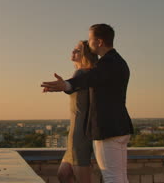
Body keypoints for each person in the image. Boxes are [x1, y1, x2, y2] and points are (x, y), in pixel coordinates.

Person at [41, 24, 133, 183]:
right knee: (120, 177)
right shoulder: (118, 61)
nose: (89, 43)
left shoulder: (107, 63)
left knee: (113, 178)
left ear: (99, 42)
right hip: (118, 127)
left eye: (90, 39)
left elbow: (89, 77)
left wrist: (66, 85)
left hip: (107, 129)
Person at [45, 40, 98, 183]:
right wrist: (63, 86)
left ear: (86, 55)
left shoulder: (83, 72)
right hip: (75, 133)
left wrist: (64, 85)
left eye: (77, 50)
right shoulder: (85, 75)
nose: (73, 52)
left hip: (80, 133)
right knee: (64, 174)